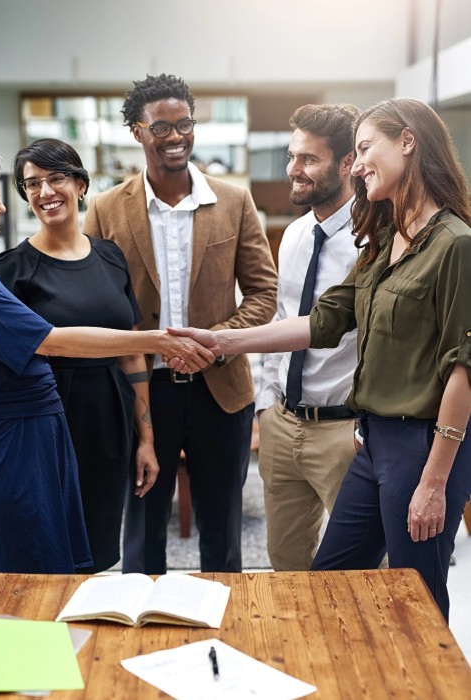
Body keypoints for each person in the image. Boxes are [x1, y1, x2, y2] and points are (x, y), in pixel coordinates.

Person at [169, 97, 471, 621]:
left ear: (408, 141)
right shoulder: (386, 239)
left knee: (412, 601)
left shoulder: (456, 244)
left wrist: (435, 480)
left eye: (363, 149)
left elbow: (464, 369)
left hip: (421, 445)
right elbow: (323, 320)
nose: (357, 164)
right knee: (327, 583)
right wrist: (224, 342)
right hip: (374, 440)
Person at [0, 145, 213, 575]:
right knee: (35, 582)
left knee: (64, 570)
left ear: (79, 185)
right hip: (12, 444)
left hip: (43, 434)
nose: (3, 205)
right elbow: (50, 341)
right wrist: (158, 340)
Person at [84, 73, 277, 574]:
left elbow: (263, 293)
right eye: (161, 127)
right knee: (143, 531)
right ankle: (143, 635)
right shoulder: (106, 209)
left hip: (222, 389)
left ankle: (225, 632)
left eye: (184, 124)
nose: (175, 136)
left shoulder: (234, 202)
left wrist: (215, 343)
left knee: (223, 532)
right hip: (142, 391)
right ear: (137, 131)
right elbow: (92, 303)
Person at [0, 139, 156, 573]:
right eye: (32, 184)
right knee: (48, 552)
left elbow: (132, 354)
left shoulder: (110, 256)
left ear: (80, 184)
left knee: (98, 548)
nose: (45, 192)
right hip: (47, 420)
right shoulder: (11, 270)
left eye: (56, 178)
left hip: (109, 415)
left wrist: (147, 440)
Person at [255, 103, 360, 571]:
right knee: (286, 563)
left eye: (308, 160)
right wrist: (266, 404)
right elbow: (282, 318)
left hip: (343, 432)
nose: (293, 171)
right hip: (282, 425)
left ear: (347, 164)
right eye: (292, 156)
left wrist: (363, 430)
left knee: (361, 570)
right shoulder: (295, 234)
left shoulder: (376, 240)